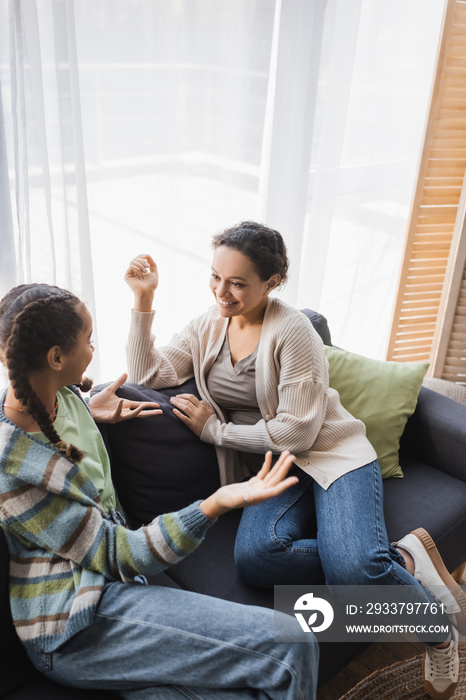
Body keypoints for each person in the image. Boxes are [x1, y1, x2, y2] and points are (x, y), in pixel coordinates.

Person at [125, 220, 465, 700]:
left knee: (355, 574)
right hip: (274, 468)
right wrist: (142, 302)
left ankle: (437, 633)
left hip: (329, 453)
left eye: (238, 283)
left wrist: (215, 430)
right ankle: (402, 559)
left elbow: (298, 431)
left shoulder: (294, 331)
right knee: (257, 560)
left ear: (272, 282)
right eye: (216, 277)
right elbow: (149, 375)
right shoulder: (208, 325)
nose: (222, 292)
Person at [0, 282, 319, 700]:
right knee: (291, 643)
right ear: (56, 357)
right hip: (72, 620)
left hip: (116, 593)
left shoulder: (60, 395)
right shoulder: (17, 468)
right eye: (89, 340)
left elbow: (66, 428)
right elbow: (118, 553)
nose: (94, 349)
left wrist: (91, 411)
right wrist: (214, 504)